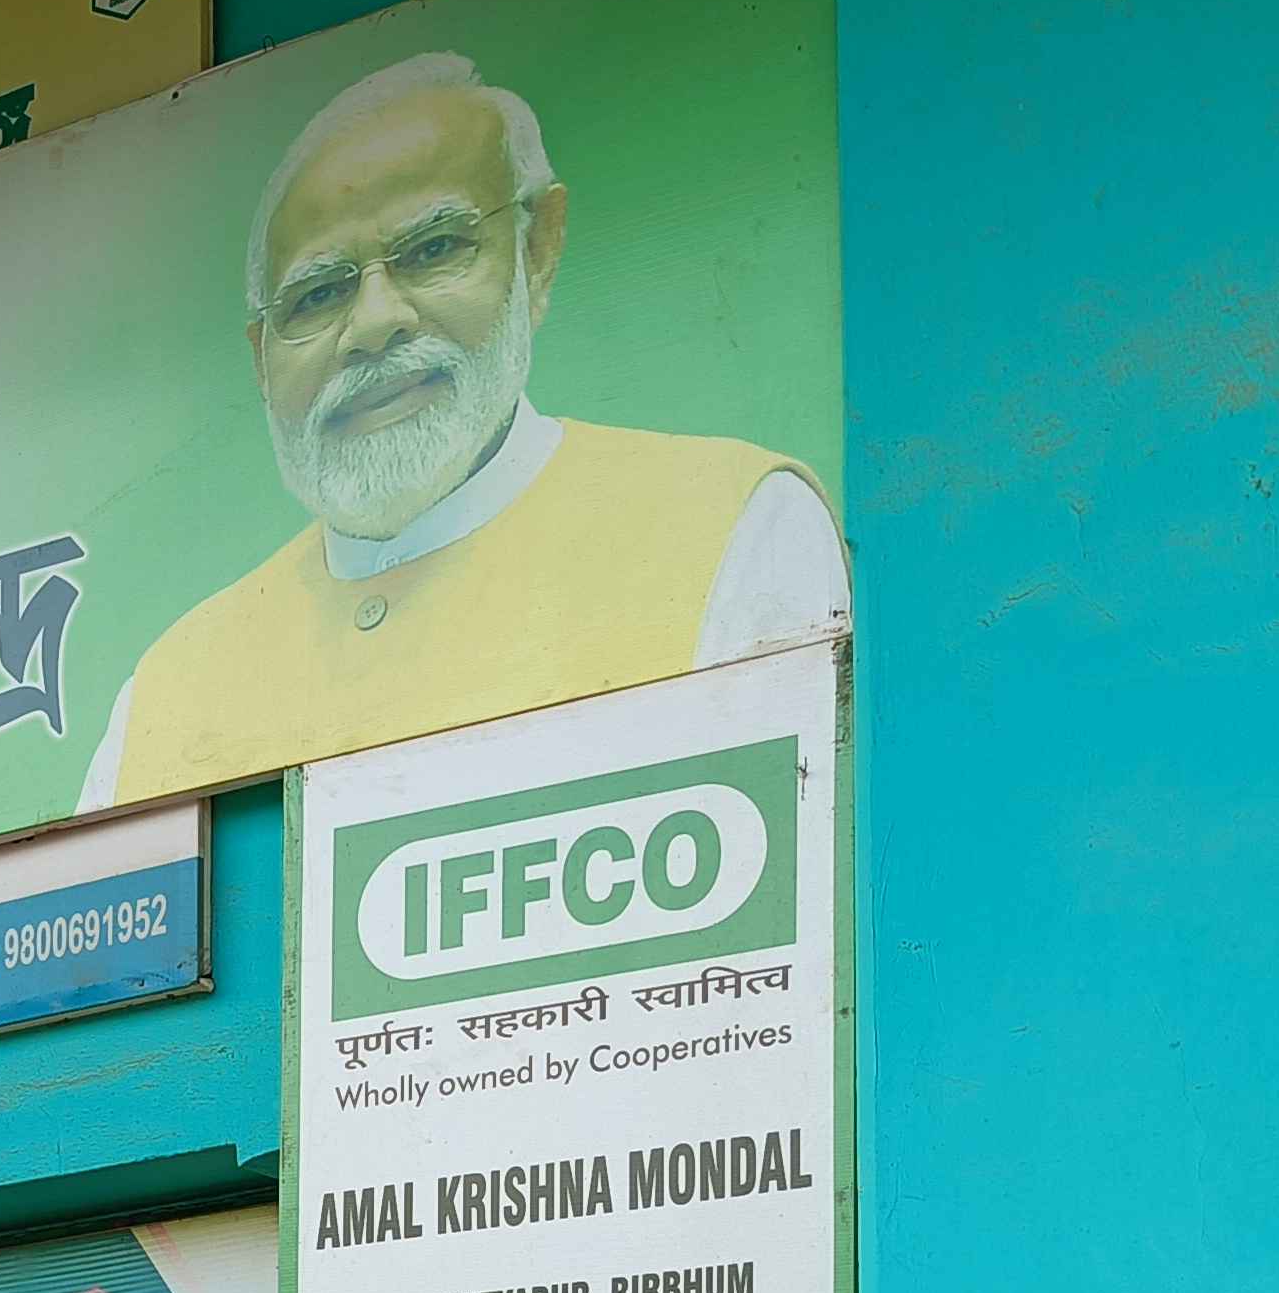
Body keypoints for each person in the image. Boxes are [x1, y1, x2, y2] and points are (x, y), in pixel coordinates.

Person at [81, 50, 845, 811]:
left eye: (433, 250)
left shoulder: (727, 529)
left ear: (537, 253)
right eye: (317, 294)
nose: (374, 324)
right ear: (260, 361)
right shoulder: (168, 695)